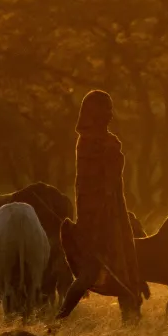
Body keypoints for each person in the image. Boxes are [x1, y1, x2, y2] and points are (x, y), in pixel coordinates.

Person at [57, 90, 148, 322]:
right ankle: (60, 319)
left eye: (110, 108)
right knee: (89, 274)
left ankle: (132, 324)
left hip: (115, 218)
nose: (109, 113)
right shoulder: (89, 144)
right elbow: (90, 186)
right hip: (95, 220)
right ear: (93, 114)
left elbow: (113, 185)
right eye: (104, 109)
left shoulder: (109, 142)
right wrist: (97, 223)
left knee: (125, 271)